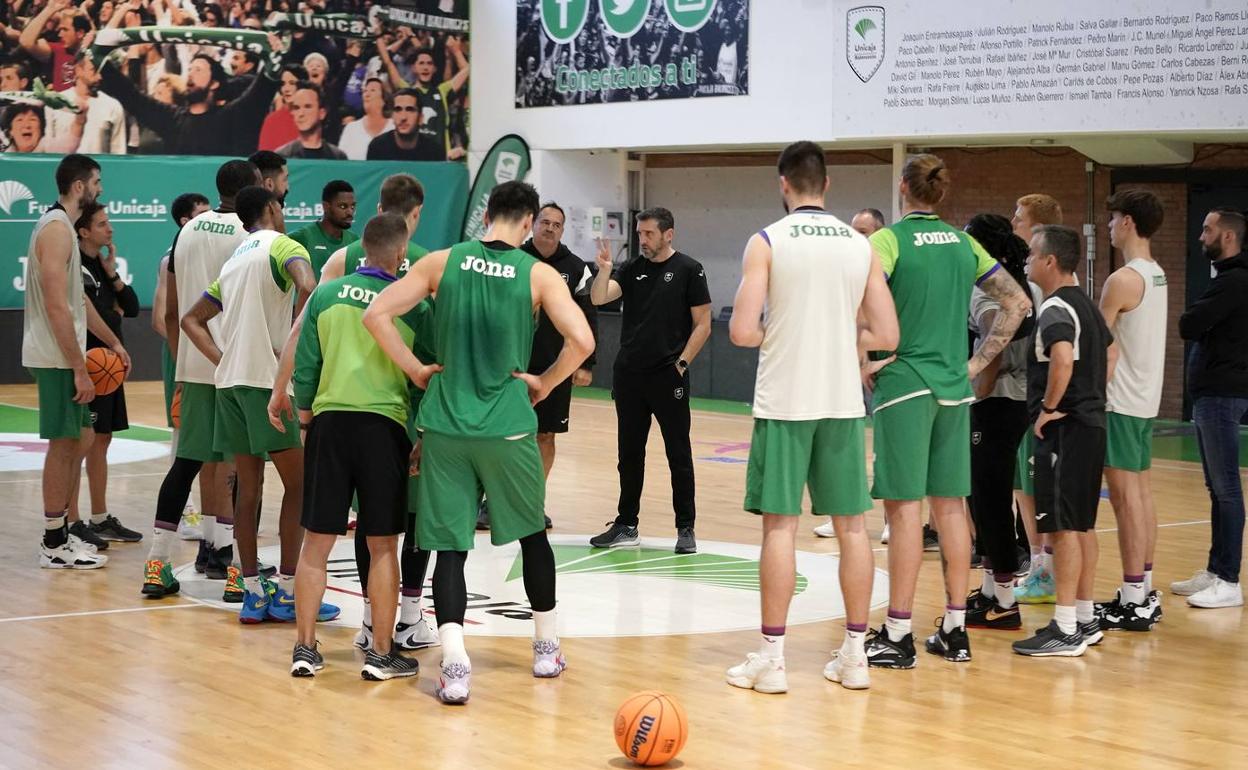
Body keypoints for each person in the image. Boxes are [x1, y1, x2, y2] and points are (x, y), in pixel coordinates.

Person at [363, 180, 594, 705]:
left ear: (486, 213)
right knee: (533, 535)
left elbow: (375, 314)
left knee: (450, 548)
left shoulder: (441, 262)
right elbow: (583, 341)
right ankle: (545, 647)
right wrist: (545, 382)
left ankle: (454, 664)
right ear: (531, 222)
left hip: (445, 425)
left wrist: (418, 370)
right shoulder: (538, 273)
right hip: (508, 426)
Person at [723, 141, 898, 694]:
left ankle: (773, 660)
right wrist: (841, 335)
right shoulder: (859, 244)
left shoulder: (767, 241)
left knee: (781, 527)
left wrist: (789, 330)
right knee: (852, 530)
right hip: (843, 403)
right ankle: (854, 656)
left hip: (786, 401)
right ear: (827, 185)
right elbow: (888, 335)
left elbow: (743, 331)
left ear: (784, 184)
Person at [862, 154, 1031, 669]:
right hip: (955, 390)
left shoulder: (886, 241)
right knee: (953, 508)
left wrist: (865, 352)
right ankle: (956, 629)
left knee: (906, 511)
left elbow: (856, 298)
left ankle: (897, 633)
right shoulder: (965, 243)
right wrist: (976, 361)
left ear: (902, 188)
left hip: (905, 385)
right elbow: (1018, 302)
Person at [271, 173, 437, 653]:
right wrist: (422, 429)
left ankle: (305, 649)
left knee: (317, 543)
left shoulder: (325, 294)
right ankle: (382, 651)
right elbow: (425, 373)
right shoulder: (410, 306)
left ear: (359, 248)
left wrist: (305, 419)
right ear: (401, 256)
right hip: (384, 429)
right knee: (383, 543)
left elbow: (308, 363)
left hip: (327, 425)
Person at [180, 185, 338, 625]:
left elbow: (190, 320)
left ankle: (252, 592)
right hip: (267, 384)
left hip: (229, 385)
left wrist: (223, 359)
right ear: (271, 209)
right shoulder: (283, 245)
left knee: (247, 491)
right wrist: (295, 344)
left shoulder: (232, 261)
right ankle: (288, 592)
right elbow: (309, 285)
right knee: (301, 487)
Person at [141, 159, 259, 600]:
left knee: (186, 465)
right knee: (238, 470)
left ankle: (157, 565)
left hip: (191, 364)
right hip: (234, 365)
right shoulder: (251, 237)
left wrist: (181, 362)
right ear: (251, 189)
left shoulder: (186, 231)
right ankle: (234, 571)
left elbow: (172, 312)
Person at [1013, 225, 1113, 656]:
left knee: (1066, 529)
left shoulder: (1055, 307)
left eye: (1032, 254)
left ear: (1050, 261)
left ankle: (1066, 626)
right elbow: (1110, 351)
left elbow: (1061, 359)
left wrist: (1051, 407)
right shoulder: (1087, 306)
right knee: (1082, 525)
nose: (1027, 261)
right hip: (1090, 425)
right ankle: (1086, 618)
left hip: (1066, 430)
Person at [589, 207, 712, 554]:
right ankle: (626, 523)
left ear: (668, 234)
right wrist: (605, 271)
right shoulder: (631, 269)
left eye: (649, 234)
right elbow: (599, 298)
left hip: (668, 375)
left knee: (678, 454)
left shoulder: (689, 269)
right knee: (629, 454)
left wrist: (683, 363)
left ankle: (685, 527)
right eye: (640, 234)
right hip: (629, 375)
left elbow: (703, 322)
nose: (642, 239)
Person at [26, 154, 128, 570]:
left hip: (66, 355)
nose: (101, 189)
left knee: (82, 440)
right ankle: (54, 540)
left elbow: (78, 300)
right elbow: (56, 306)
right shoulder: (55, 229)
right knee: (64, 445)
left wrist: (113, 343)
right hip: (56, 358)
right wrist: (81, 367)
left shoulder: (63, 227)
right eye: (97, 182)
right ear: (80, 186)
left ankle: (65, 530)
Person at [478, 202, 598, 531]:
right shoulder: (513, 258)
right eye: (544, 221)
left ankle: (532, 504)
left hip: (556, 366)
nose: (549, 228)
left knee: (545, 436)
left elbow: (588, 314)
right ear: (533, 224)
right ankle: (490, 502)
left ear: (562, 230)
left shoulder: (576, 268)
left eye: (556, 224)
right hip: (510, 364)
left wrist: (586, 362)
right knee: (501, 434)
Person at [1096, 190, 1167, 630]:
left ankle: (1135, 597)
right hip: (1145, 399)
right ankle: (1142, 591)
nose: (1108, 227)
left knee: (1125, 500)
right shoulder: (1156, 273)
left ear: (1127, 223)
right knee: (1140, 494)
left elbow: (1099, 344)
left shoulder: (1121, 279)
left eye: (1113, 218)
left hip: (1120, 402)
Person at [961, 214, 1036, 630]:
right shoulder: (1018, 280)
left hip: (999, 401)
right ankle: (991, 590)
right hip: (1018, 401)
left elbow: (996, 332)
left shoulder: (988, 289)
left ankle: (1005, 601)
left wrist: (979, 378)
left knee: (988, 501)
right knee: (986, 497)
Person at [1175, 207, 1248, 609]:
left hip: (1221, 393)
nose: (1201, 236)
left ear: (1229, 237)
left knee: (1227, 489)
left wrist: (1198, 319)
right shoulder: (1225, 279)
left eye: (1208, 230)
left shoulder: (1234, 281)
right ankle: (1216, 570)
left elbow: (1188, 324)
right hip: (1212, 394)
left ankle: (1230, 580)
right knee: (1217, 489)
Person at [71, 201, 143, 545]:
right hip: (91, 363)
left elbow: (129, 307)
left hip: (108, 366)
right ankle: (70, 520)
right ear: (84, 231)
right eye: (102, 224)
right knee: (81, 443)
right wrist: (113, 341)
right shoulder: (77, 265)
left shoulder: (99, 266)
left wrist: (112, 271)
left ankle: (99, 517)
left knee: (103, 439)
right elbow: (93, 315)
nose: (110, 229)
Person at [1010, 192, 1065, 605]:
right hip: (1028, 395)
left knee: (1032, 486)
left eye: (1019, 216)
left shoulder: (1036, 280)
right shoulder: (1040, 275)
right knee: (1022, 486)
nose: (1014, 221)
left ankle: (1043, 568)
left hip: (1034, 393)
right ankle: (1038, 563)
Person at [153, 192, 213, 547]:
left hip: (205, 353)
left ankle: (213, 522)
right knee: (185, 436)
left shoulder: (209, 255)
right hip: (184, 356)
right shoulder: (171, 259)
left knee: (213, 447)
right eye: (203, 214)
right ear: (184, 222)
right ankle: (187, 512)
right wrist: (188, 348)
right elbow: (162, 319)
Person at [99, 49, 281, 156]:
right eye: (191, 69)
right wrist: (100, 61)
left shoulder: (231, 116)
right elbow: (133, 97)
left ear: (215, 83)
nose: (191, 73)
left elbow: (259, 94)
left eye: (199, 70)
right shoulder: (173, 118)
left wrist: (274, 60)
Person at [378, 38, 469, 160]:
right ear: (413, 68)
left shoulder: (442, 91)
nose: (425, 67)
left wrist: (456, 50)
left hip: (440, 161)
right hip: (415, 160)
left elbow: (466, 70)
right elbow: (388, 62)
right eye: (421, 63)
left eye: (429, 63)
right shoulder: (407, 91)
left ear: (434, 69)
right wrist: (379, 35)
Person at [42, 57, 127, 155]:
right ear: (78, 70)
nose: (99, 77)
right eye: (94, 70)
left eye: (101, 71)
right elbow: (48, 151)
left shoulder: (113, 106)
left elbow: (118, 152)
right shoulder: (55, 103)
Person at [289, 180, 358, 278]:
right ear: (326, 206)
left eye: (353, 206)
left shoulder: (355, 241)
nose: (350, 212)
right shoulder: (303, 237)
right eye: (343, 206)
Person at [18, 0, 90, 92]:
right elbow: (26, 41)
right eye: (60, 30)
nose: (60, 34)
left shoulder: (91, 52)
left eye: (65, 30)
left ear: (80, 33)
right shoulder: (59, 49)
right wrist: (49, 9)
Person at [276, 82, 347, 160]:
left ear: (321, 113)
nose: (301, 114)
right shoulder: (281, 156)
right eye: (296, 108)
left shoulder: (337, 157)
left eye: (307, 107)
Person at [365, 89, 442, 161]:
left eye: (410, 110)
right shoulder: (377, 147)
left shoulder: (434, 151)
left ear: (421, 118)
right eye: (398, 110)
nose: (403, 117)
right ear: (392, 116)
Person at [338, 77, 393, 161]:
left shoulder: (394, 126)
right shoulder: (351, 128)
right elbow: (341, 163)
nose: (366, 94)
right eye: (365, 91)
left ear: (384, 99)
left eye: (372, 90)